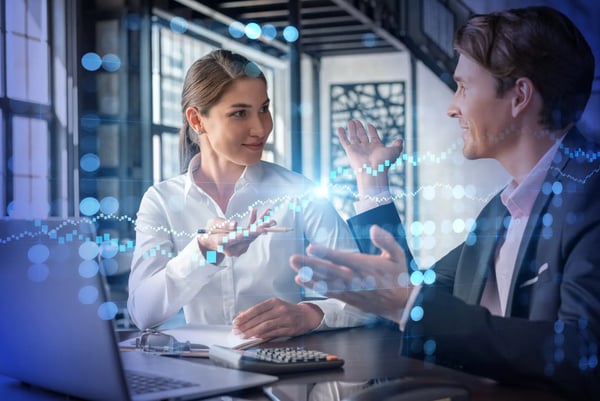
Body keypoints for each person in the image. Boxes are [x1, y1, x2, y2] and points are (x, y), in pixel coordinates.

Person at [290, 6, 599, 400]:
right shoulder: (501, 211)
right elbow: (414, 290)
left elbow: (582, 353)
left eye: (463, 87)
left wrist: (410, 303)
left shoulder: (590, 194)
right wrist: (372, 182)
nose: (452, 107)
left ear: (519, 95)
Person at [128, 49, 372, 339]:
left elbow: (367, 298)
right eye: (239, 113)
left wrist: (307, 314)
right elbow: (143, 313)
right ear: (197, 120)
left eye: (264, 109)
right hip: (198, 372)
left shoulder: (299, 193)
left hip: (284, 373)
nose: (261, 128)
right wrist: (203, 250)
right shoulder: (161, 201)